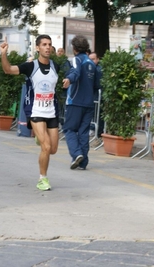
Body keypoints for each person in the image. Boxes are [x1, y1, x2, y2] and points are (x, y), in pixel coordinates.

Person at [0, 35, 61, 191]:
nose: (48, 47)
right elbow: (8, 70)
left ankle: (40, 140)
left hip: (51, 111)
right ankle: (43, 179)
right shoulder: (30, 66)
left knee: (53, 149)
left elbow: (72, 73)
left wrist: (70, 79)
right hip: (35, 111)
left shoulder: (56, 66)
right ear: (38, 48)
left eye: (50, 44)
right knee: (46, 147)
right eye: (44, 44)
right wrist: (3, 54)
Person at [62, 35, 98, 170]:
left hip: (75, 101)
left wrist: (69, 80)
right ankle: (83, 162)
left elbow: (75, 72)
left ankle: (76, 154)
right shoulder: (91, 63)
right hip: (89, 103)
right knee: (83, 132)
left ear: (74, 48)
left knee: (69, 129)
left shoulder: (77, 59)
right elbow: (97, 83)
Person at [88, 52, 104, 139]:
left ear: (98, 59)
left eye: (93, 59)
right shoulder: (91, 69)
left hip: (97, 96)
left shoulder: (98, 70)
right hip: (94, 95)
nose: (91, 61)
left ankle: (97, 133)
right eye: (90, 59)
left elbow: (98, 84)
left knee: (97, 114)